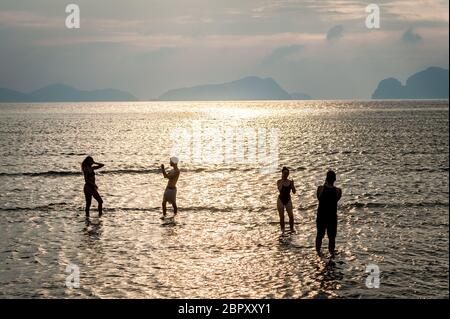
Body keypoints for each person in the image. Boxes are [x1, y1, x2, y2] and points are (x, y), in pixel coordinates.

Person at [316, 170, 342, 258]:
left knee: (319, 235)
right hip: (332, 217)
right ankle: (331, 255)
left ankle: (318, 254)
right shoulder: (338, 191)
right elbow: (336, 200)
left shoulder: (320, 189)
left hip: (321, 216)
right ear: (335, 179)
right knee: (331, 238)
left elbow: (319, 198)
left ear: (326, 178)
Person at [277, 166, 296, 233]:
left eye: (287, 173)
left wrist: (293, 185)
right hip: (280, 200)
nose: (286, 175)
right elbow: (280, 190)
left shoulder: (290, 182)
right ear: (282, 173)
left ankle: (291, 228)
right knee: (282, 216)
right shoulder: (279, 181)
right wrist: (282, 181)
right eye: (284, 173)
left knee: (291, 215)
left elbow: (294, 192)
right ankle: (283, 230)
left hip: (288, 199)